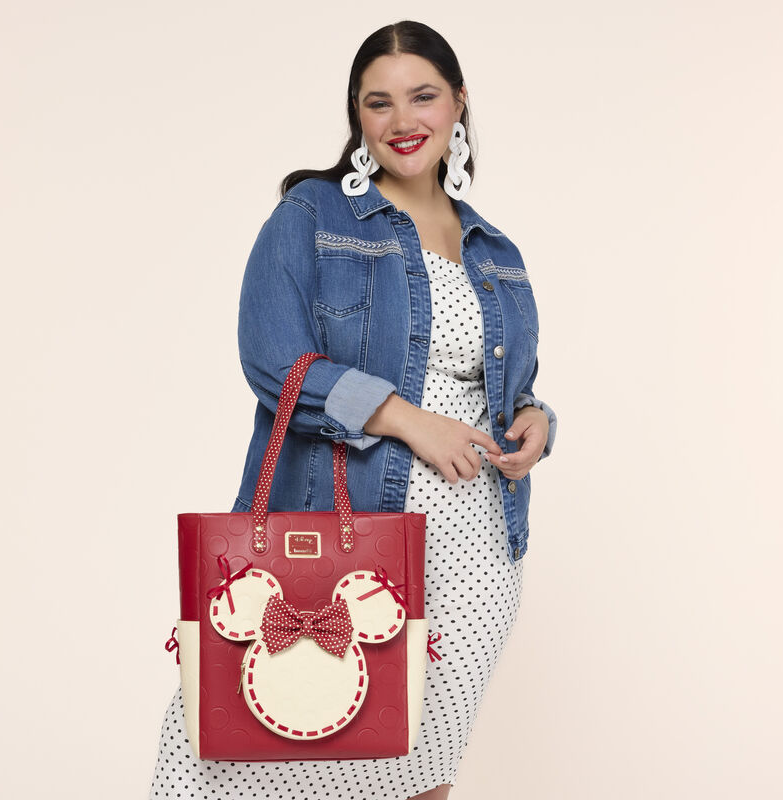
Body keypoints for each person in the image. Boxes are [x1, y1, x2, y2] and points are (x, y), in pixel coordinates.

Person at [149, 19, 557, 800]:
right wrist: (409, 420)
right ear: (358, 118)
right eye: (380, 102)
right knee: (261, 747)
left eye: (424, 96)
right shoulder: (313, 215)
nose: (404, 121)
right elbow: (275, 360)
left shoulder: (494, 250)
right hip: (350, 540)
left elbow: (506, 383)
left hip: (477, 547)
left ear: (459, 103)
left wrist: (536, 421)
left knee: (418, 766)